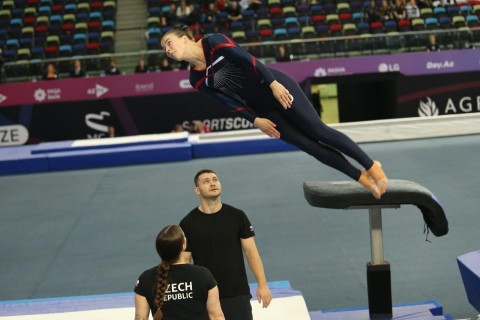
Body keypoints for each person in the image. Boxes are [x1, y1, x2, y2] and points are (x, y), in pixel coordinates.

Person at [160, 25, 388, 198]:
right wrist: (256, 119)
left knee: (319, 132)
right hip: (261, 109)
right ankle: (360, 177)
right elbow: (230, 102)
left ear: (184, 38)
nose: (167, 50)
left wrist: (273, 84)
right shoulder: (196, 79)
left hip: (275, 85)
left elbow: (249, 61)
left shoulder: (213, 41)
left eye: (169, 43)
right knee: (308, 146)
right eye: (164, 48)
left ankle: (371, 166)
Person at [180, 169, 272, 320]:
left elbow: (251, 252)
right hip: (205, 295)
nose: (213, 183)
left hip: (237, 293)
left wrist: (262, 284)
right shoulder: (188, 223)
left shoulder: (237, 216)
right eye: (206, 181)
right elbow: (184, 262)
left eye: (215, 179)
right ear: (197, 190)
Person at [134, 225, 225, 320]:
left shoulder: (145, 278)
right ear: (183, 245)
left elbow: (140, 317)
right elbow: (216, 316)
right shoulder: (203, 275)